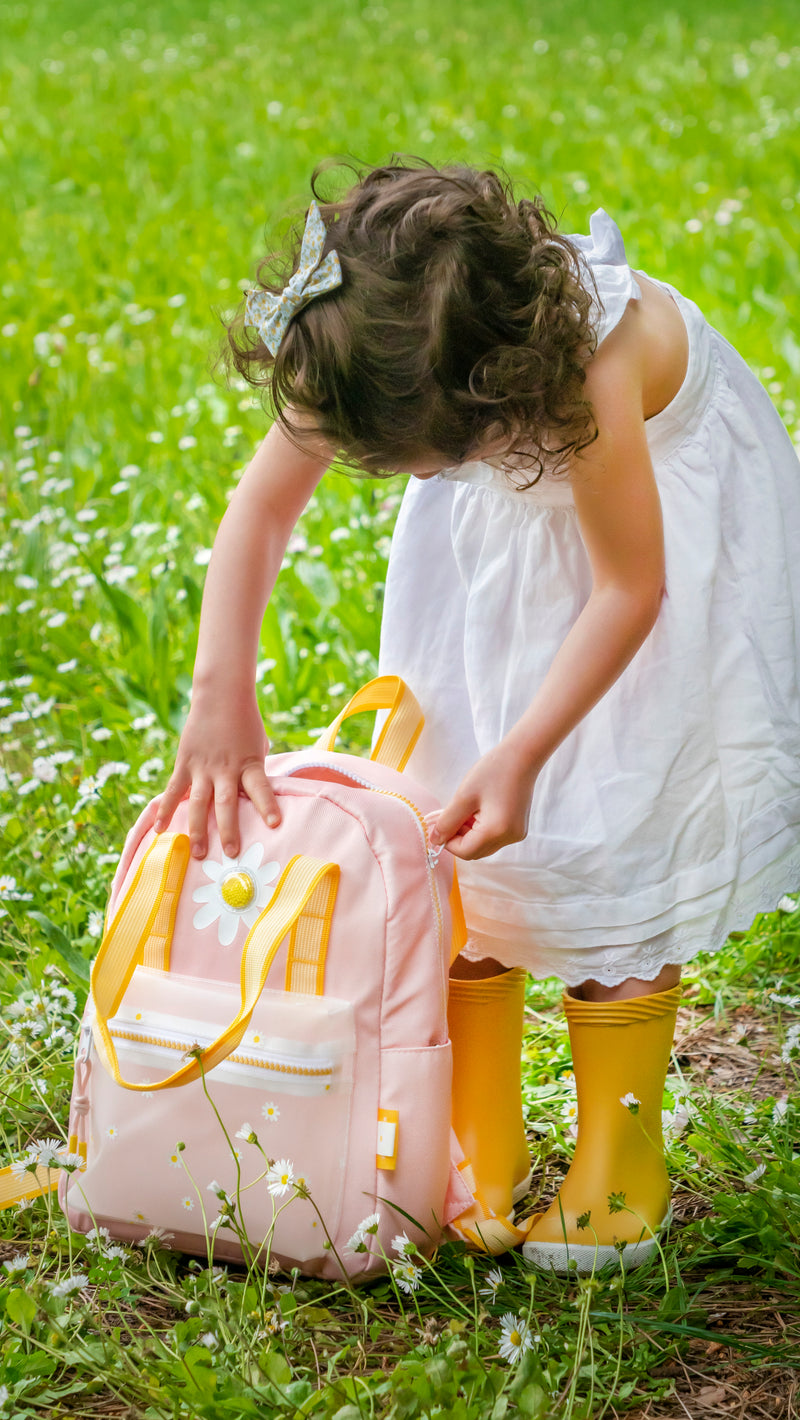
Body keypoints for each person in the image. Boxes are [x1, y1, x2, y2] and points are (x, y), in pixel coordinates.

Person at [155, 160, 800, 1272]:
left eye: (396, 459)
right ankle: (472, 1134)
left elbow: (626, 589)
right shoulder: (367, 339)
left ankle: (618, 1156)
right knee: (448, 837)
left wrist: (524, 752)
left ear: (483, 400)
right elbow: (261, 507)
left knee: (611, 826)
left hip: (636, 568)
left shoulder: (595, 364)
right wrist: (222, 690)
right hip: (493, 570)